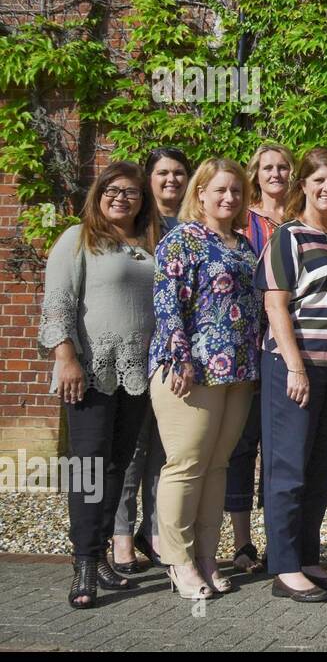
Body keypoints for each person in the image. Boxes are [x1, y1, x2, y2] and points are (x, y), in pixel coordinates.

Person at [40, 163, 160, 608]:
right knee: (88, 469)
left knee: (117, 466)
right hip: (89, 373)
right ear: (98, 194)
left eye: (131, 192)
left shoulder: (149, 245)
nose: (121, 197)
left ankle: (104, 553)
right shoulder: (78, 238)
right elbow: (58, 303)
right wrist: (66, 358)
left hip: (137, 375)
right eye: (112, 189)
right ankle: (85, 562)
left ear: (141, 200)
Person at [150, 158, 261, 600]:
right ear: (201, 194)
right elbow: (167, 304)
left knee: (217, 467)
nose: (229, 198)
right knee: (186, 465)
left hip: (236, 371)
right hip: (191, 370)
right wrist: (181, 359)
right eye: (220, 191)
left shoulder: (243, 245)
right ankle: (177, 562)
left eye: (236, 191)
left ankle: (207, 558)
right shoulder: (182, 240)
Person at [259, 147, 327, 602]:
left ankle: (307, 557)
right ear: (302, 185)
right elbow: (275, 304)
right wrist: (295, 366)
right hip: (294, 367)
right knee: (289, 468)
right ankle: (283, 568)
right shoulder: (289, 237)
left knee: (322, 471)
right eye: (318, 180)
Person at [112, 147, 189, 574]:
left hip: (176, 357)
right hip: (136, 352)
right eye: (163, 173)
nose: (171, 180)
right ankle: (121, 536)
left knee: (166, 450)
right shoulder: (133, 227)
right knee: (133, 448)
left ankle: (155, 531)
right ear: (149, 178)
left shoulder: (193, 226)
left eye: (179, 173)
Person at [222, 143, 295, 575]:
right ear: (255, 174)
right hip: (247, 343)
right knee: (242, 446)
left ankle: (277, 542)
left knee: (280, 450)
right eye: (267, 167)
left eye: (283, 167)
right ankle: (241, 540)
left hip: (287, 345)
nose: (276, 173)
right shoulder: (242, 220)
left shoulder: (301, 220)